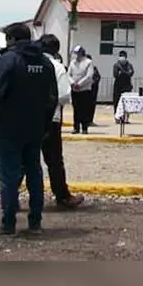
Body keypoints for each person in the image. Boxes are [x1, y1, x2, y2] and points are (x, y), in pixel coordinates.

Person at [0, 22, 58, 236]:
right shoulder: (45, 62)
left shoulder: (9, 59)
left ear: (12, 39)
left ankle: (8, 222)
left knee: (9, 175)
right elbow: (51, 98)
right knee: (34, 172)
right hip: (35, 127)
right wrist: (45, 124)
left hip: (9, 126)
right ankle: (35, 221)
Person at [38, 34, 86, 209]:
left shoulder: (29, 64)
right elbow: (65, 95)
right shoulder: (57, 67)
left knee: (25, 159)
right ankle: (62, 196)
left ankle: (11, 196)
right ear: (56, 50)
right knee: (54, 160)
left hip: (28, 118)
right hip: (52, 118)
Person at [67, 46, 94, 134]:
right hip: (74, 89)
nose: (76, 55)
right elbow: (68, 74)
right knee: (76, 109)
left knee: (84, 109)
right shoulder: (72, 63)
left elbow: (89, 76)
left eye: (77, 53)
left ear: (82, 53)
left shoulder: (88, 62)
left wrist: (80, 84)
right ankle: (76, 127)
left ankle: (84, 128)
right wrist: (72, 83)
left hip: (85, 89)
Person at [112, 50, 135, 123]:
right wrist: (125, 73)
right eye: (121, 56)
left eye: (123, 56)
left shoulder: (129, 65)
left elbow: (131, 73)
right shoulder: (116, 65)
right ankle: (117, 118)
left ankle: (125, 118)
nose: (122, 58)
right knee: (117, 101)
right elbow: (115, 75)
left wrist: (122, 72)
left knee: (127, 102)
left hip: (127, 86)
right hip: (118, 86)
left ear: (126, 57)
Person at [86, 52, 101, 127]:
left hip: (93, 91)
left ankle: (90, 120)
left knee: (91, 106)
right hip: (85, 91)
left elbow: (98, 77)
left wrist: (93, 82)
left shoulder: (94, 68)